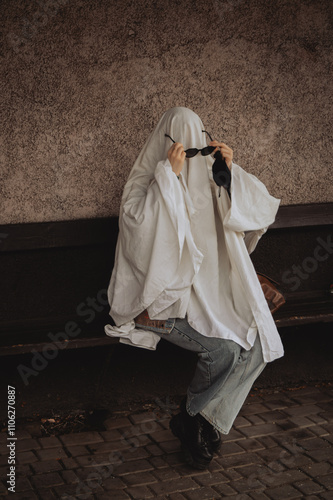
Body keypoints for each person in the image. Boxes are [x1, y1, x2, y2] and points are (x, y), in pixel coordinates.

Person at [105, 106, 284, 469]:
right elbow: (140, 231)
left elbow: (257, 210)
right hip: (159, 309)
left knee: (258, 343)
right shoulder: (145, 184)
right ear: (167, 145)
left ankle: (201, 421)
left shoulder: (209, 177)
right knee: (223, 353)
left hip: (209, 299)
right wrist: (167, 176)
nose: (191, 159)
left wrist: (230, 172)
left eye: (197, 149)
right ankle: (193, 419)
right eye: (184, 151)